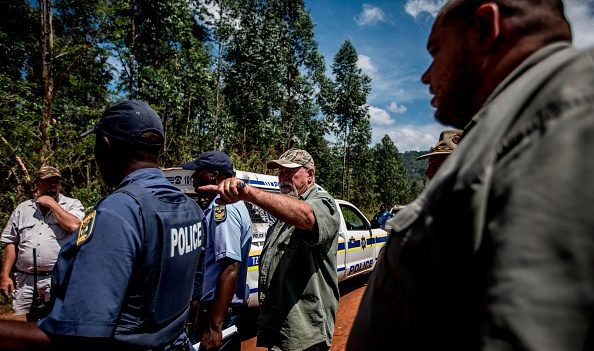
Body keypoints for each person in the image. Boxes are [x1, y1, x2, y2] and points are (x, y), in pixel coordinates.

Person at [348, 0, 594, 350]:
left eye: (436, 50)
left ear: (484, 27)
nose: (425, 75)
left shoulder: (551, 125)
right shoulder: (516, 129)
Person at [0, 100, 205, 351]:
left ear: (105, 145)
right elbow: (195, 291)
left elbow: (78, 336)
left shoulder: (118, 212)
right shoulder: (190, 208)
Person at [199, 149, 341, 351]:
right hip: (282, 327)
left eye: (289, 171)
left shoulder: (323, 202)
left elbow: (308, 217)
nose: (282, 177)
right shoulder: (288, 208)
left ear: (310, 175)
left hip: (305, 332)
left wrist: (249, 194)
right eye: (280, 172)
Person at [181, 150, 252, 351]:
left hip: (216, 312)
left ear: (213, 175)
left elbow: (230, 267)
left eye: (198, 172)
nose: (193, 177)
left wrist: (214, 326)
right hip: (214, 311)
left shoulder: (225, 208)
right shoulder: (221, 206)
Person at [0, 166, 84, 317]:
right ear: (38, 183)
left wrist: (51, 204)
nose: (52, 185)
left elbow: (75, 226)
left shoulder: (72, 205)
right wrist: (5, 275)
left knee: (56, 323)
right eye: (47, 181)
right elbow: (10, 242)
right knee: (21, 322)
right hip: (25, 280)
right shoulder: (23, 209)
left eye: (56, 181)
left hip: (58, 278)